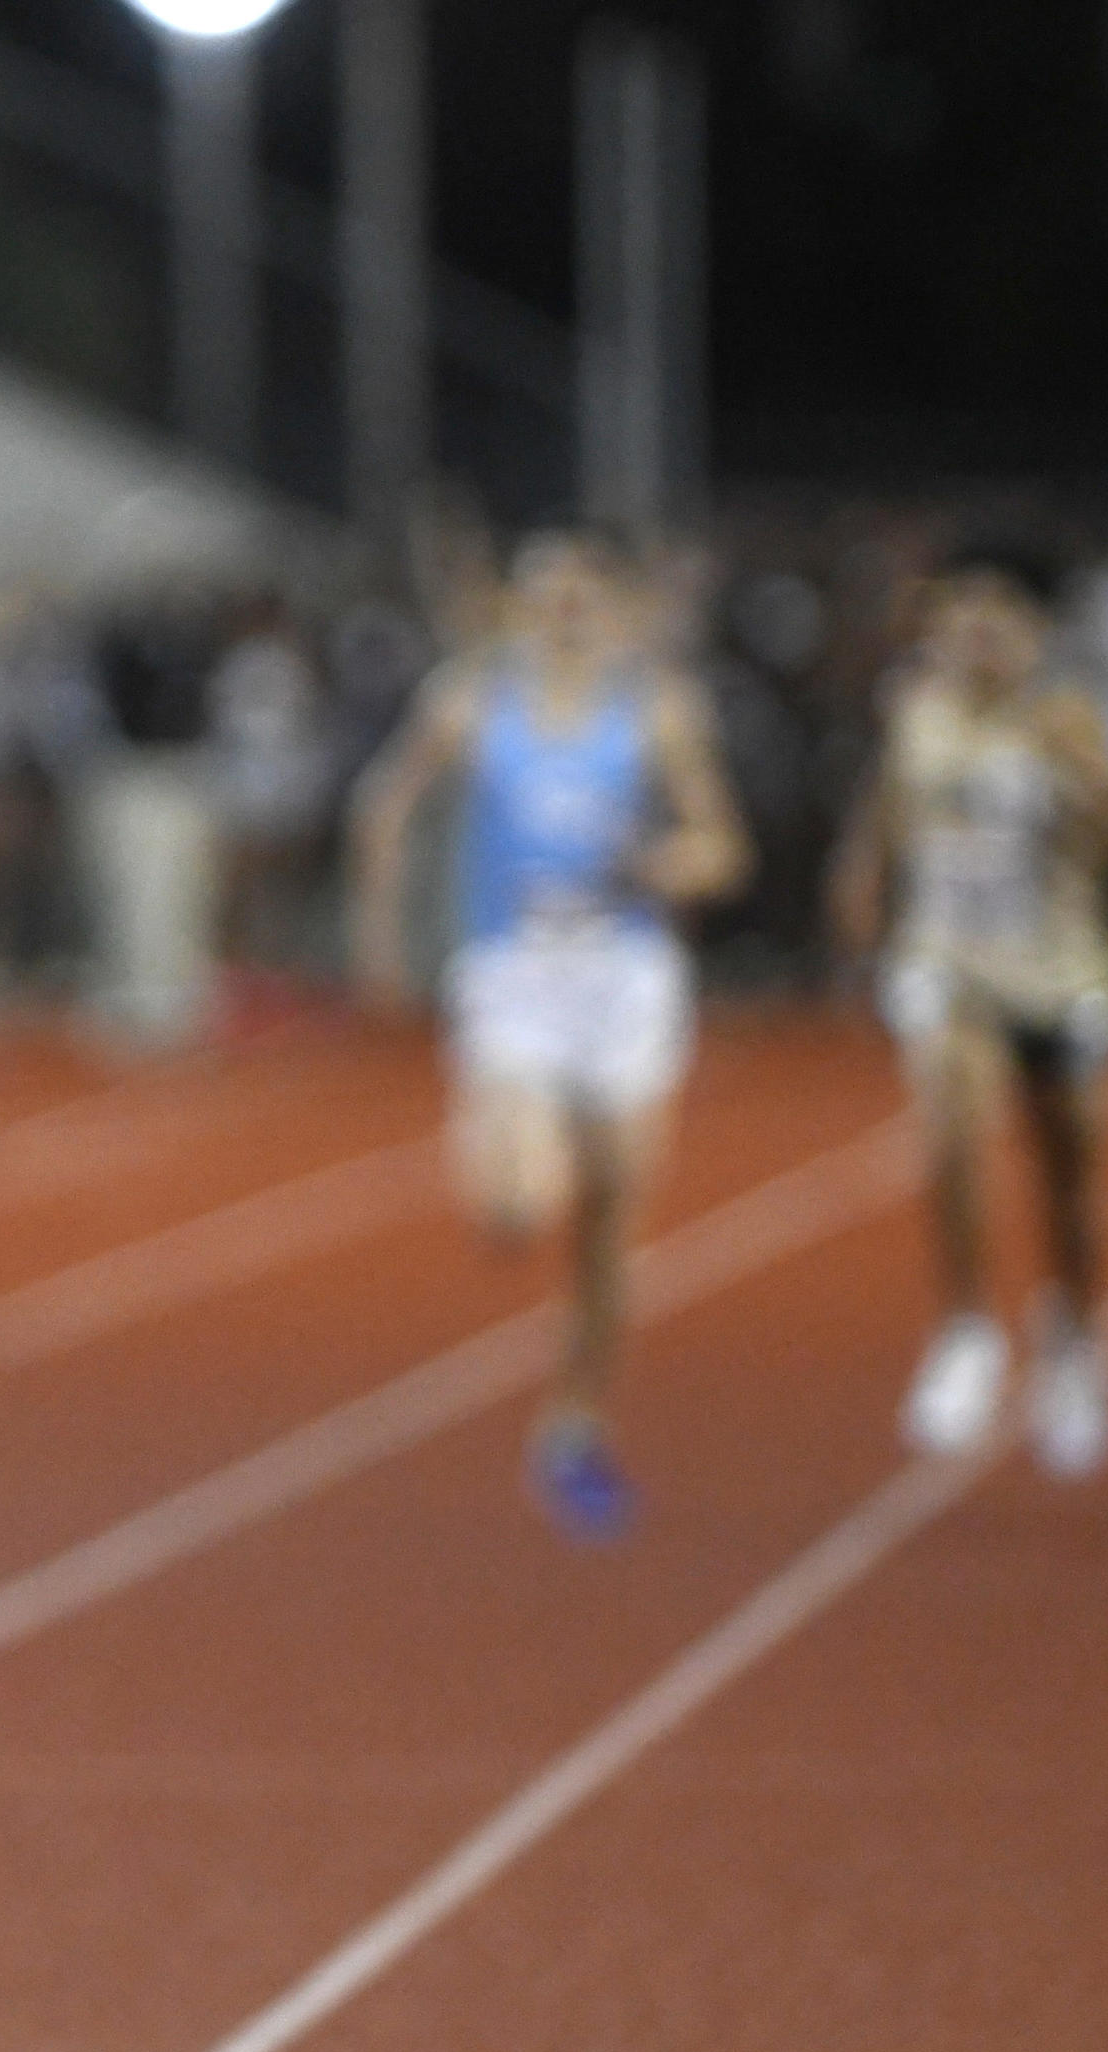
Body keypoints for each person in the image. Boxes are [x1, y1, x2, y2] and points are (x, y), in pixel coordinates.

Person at [347, 526, 751, 1539]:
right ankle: (496, 1142)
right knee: (523, 1206)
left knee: (610, 1224)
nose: (563, 611)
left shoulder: (654, 707)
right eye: (544, 593)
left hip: (623, 975)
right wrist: (380, 919)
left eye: (581, 593)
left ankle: (574, 1418)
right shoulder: (469, 700)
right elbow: (386, 801)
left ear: (614, 610)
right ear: (514, 609)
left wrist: (664, 864)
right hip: (513, 972)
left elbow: (720, 845)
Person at [829, 543, 1108, 1475]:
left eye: (998, 614)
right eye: (958, 611)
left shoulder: (1071, 716)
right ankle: (967, 1329)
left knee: (1070, 1176)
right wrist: (858, 890)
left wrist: (1094, 779)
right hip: (950, 965)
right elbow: (880, 821)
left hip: (1061, 973)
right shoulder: (914, 711)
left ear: (1035, 631)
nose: (975, 632)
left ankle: (1074, 1340)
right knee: (951, 1128)